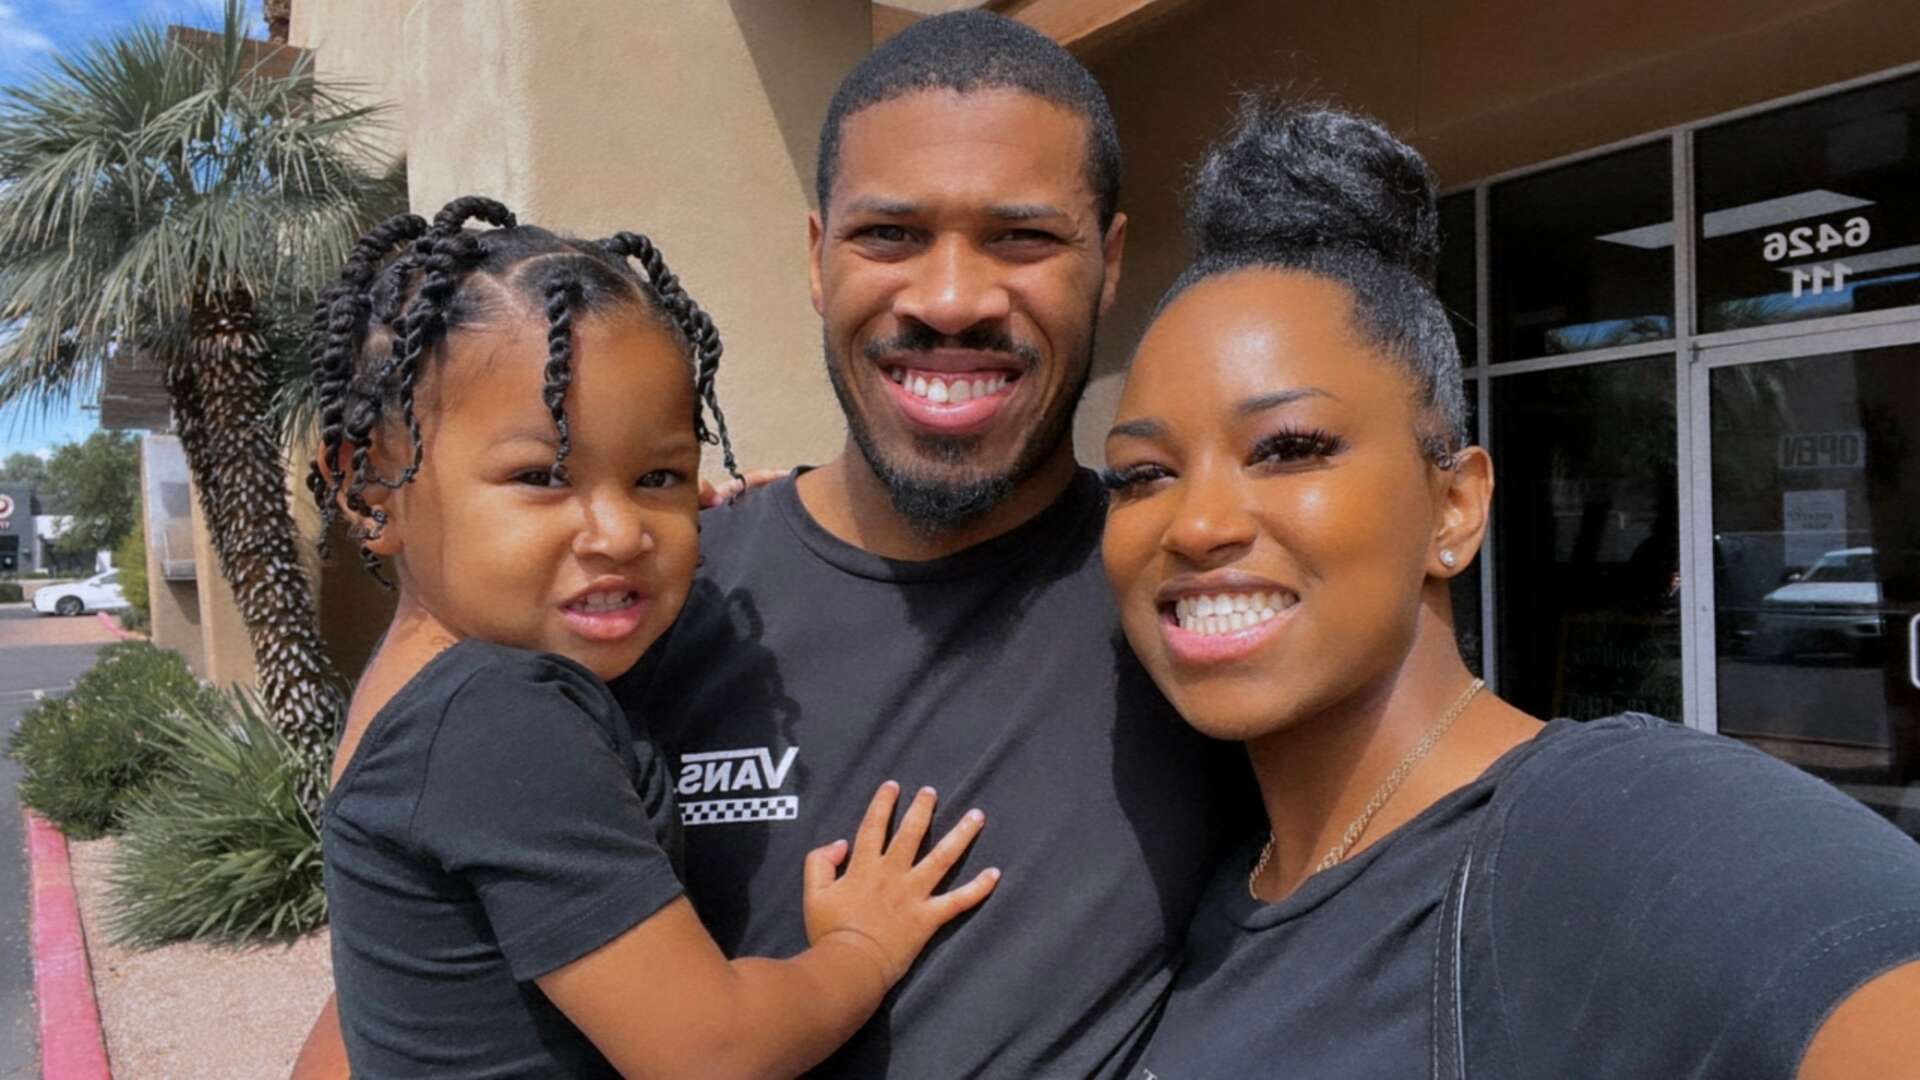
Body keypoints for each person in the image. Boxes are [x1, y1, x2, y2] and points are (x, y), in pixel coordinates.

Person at [1099, 98, 1920, 1078]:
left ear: (1454, 507)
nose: (1196, 525)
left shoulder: (1605, 831)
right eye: (1142, 473)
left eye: (1287, 448)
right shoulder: (1214, 882)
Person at [618, 11, 1248, 1078]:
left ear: (1108, 263)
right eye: (890, 235)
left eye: (1022, 238)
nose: (951, 300)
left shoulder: (1192, 596)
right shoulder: (657, 606)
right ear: (818, 258)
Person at [297, 197, 998, 1078]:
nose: (621, 532)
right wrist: (861, 948)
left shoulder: (418, 688)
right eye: (542, 476)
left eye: (657, 476)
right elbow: (712, 1054)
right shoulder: (499, 717)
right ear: (369, 490)